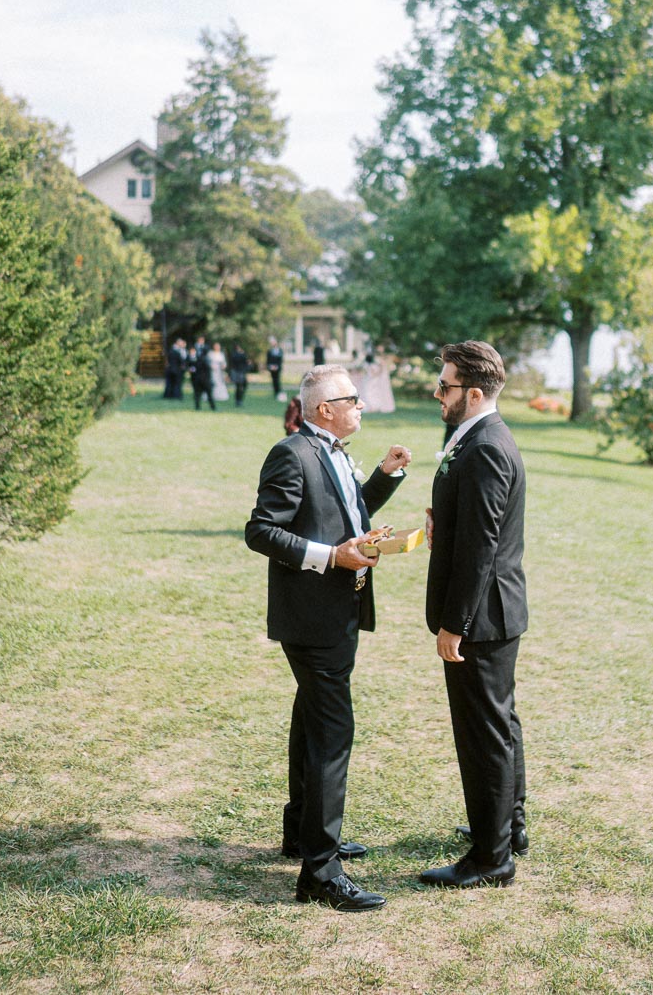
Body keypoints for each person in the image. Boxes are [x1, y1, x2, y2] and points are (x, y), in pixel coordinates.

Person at [245, 364, 412, 911]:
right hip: (313, 615)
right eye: (353, 400)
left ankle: (302, 833)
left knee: (312, 718)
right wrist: (329, 557)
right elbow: (262, 530)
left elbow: (344, 509)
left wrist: (384, 478)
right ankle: (319, 871)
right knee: (332, 731)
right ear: (324, 410)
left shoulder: (333, 451)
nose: (361, 407)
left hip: (339, 610)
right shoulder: (291, 453)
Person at [419, 340, 528, 890]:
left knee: (483, 731)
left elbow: (482, 546)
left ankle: (491, 858)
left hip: (480, 618)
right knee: (500, 723)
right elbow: (475, 525)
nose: (437, 393)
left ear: (475, 393)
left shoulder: (484, 444)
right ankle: (508, 827)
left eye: (446, 386)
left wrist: (453, 624)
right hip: (494, 610)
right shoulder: (478, 437)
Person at [189, 336, 215, 411]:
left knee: (198, 394)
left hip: (198, 378)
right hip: (205, 379)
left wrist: (193, 371)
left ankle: (198, 407)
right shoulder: (206, 361)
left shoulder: (195, 360)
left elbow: (193, 368)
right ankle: (212, 407)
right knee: (208, 393)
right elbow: (208, 369)